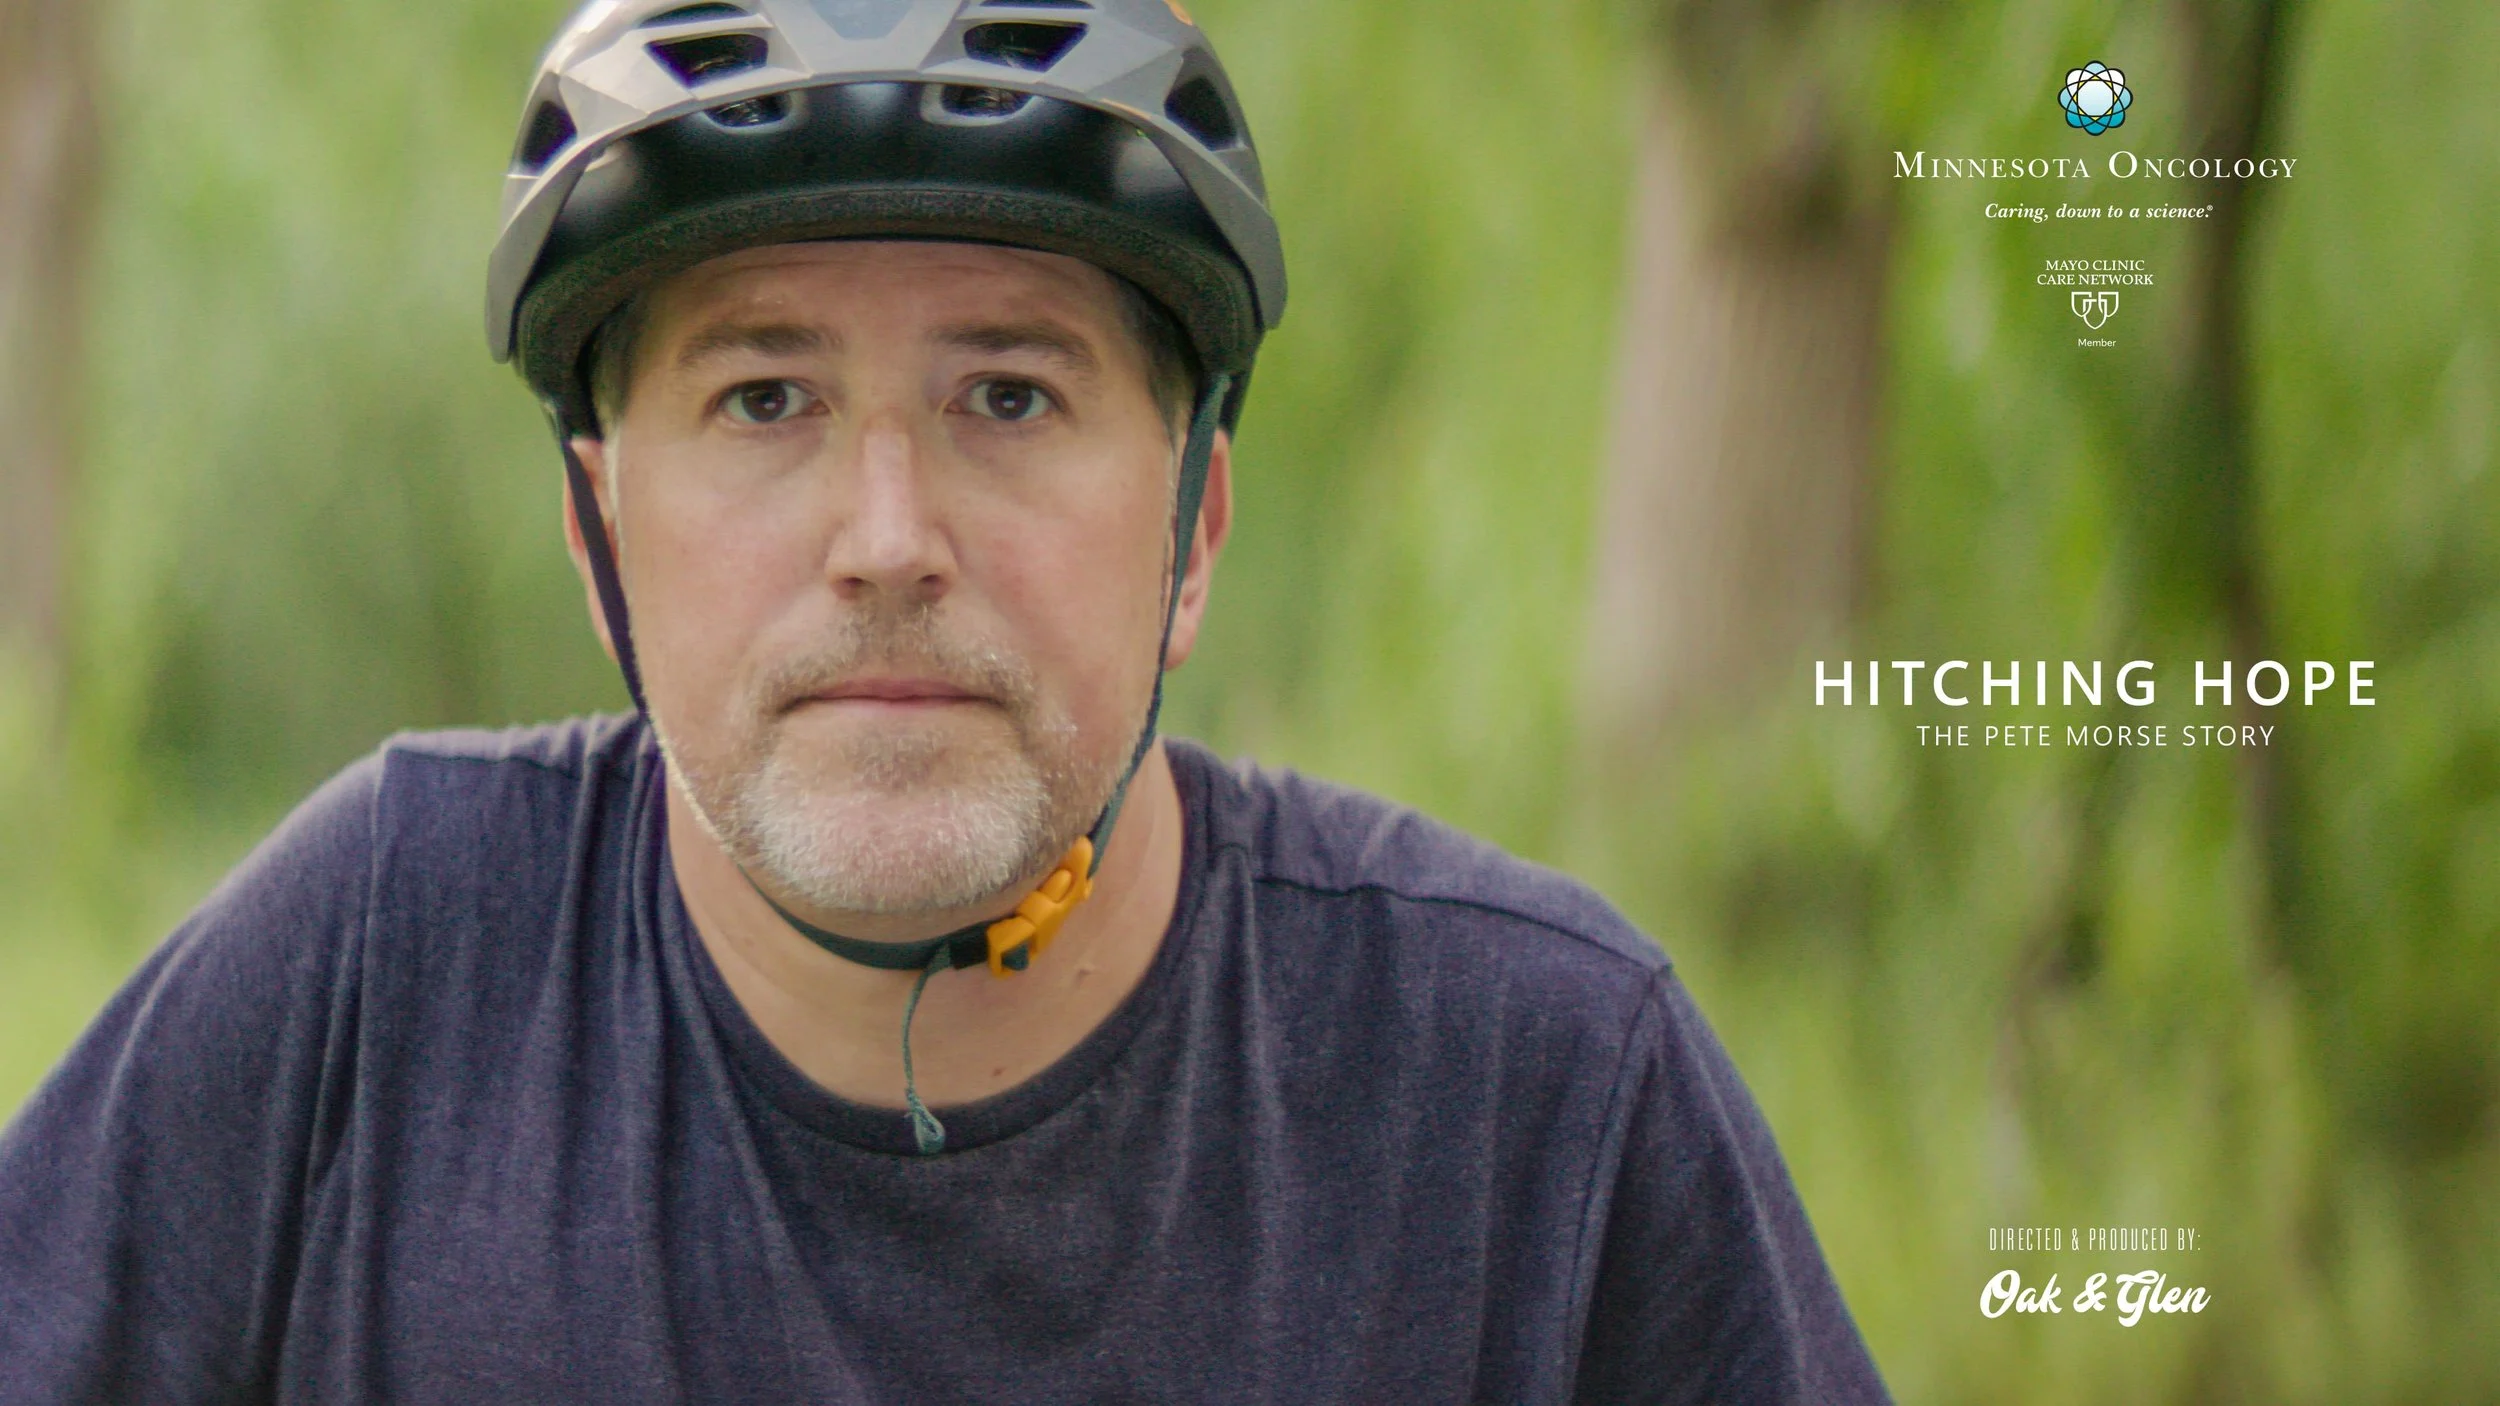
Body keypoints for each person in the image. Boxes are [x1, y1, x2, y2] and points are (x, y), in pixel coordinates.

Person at [0, 0, 1890, 1399]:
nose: (886, 538)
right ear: (595, 533)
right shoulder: (372, 977)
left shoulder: (1543, 1100)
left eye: (1010, 393)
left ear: (1195, 526)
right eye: (764, 399)